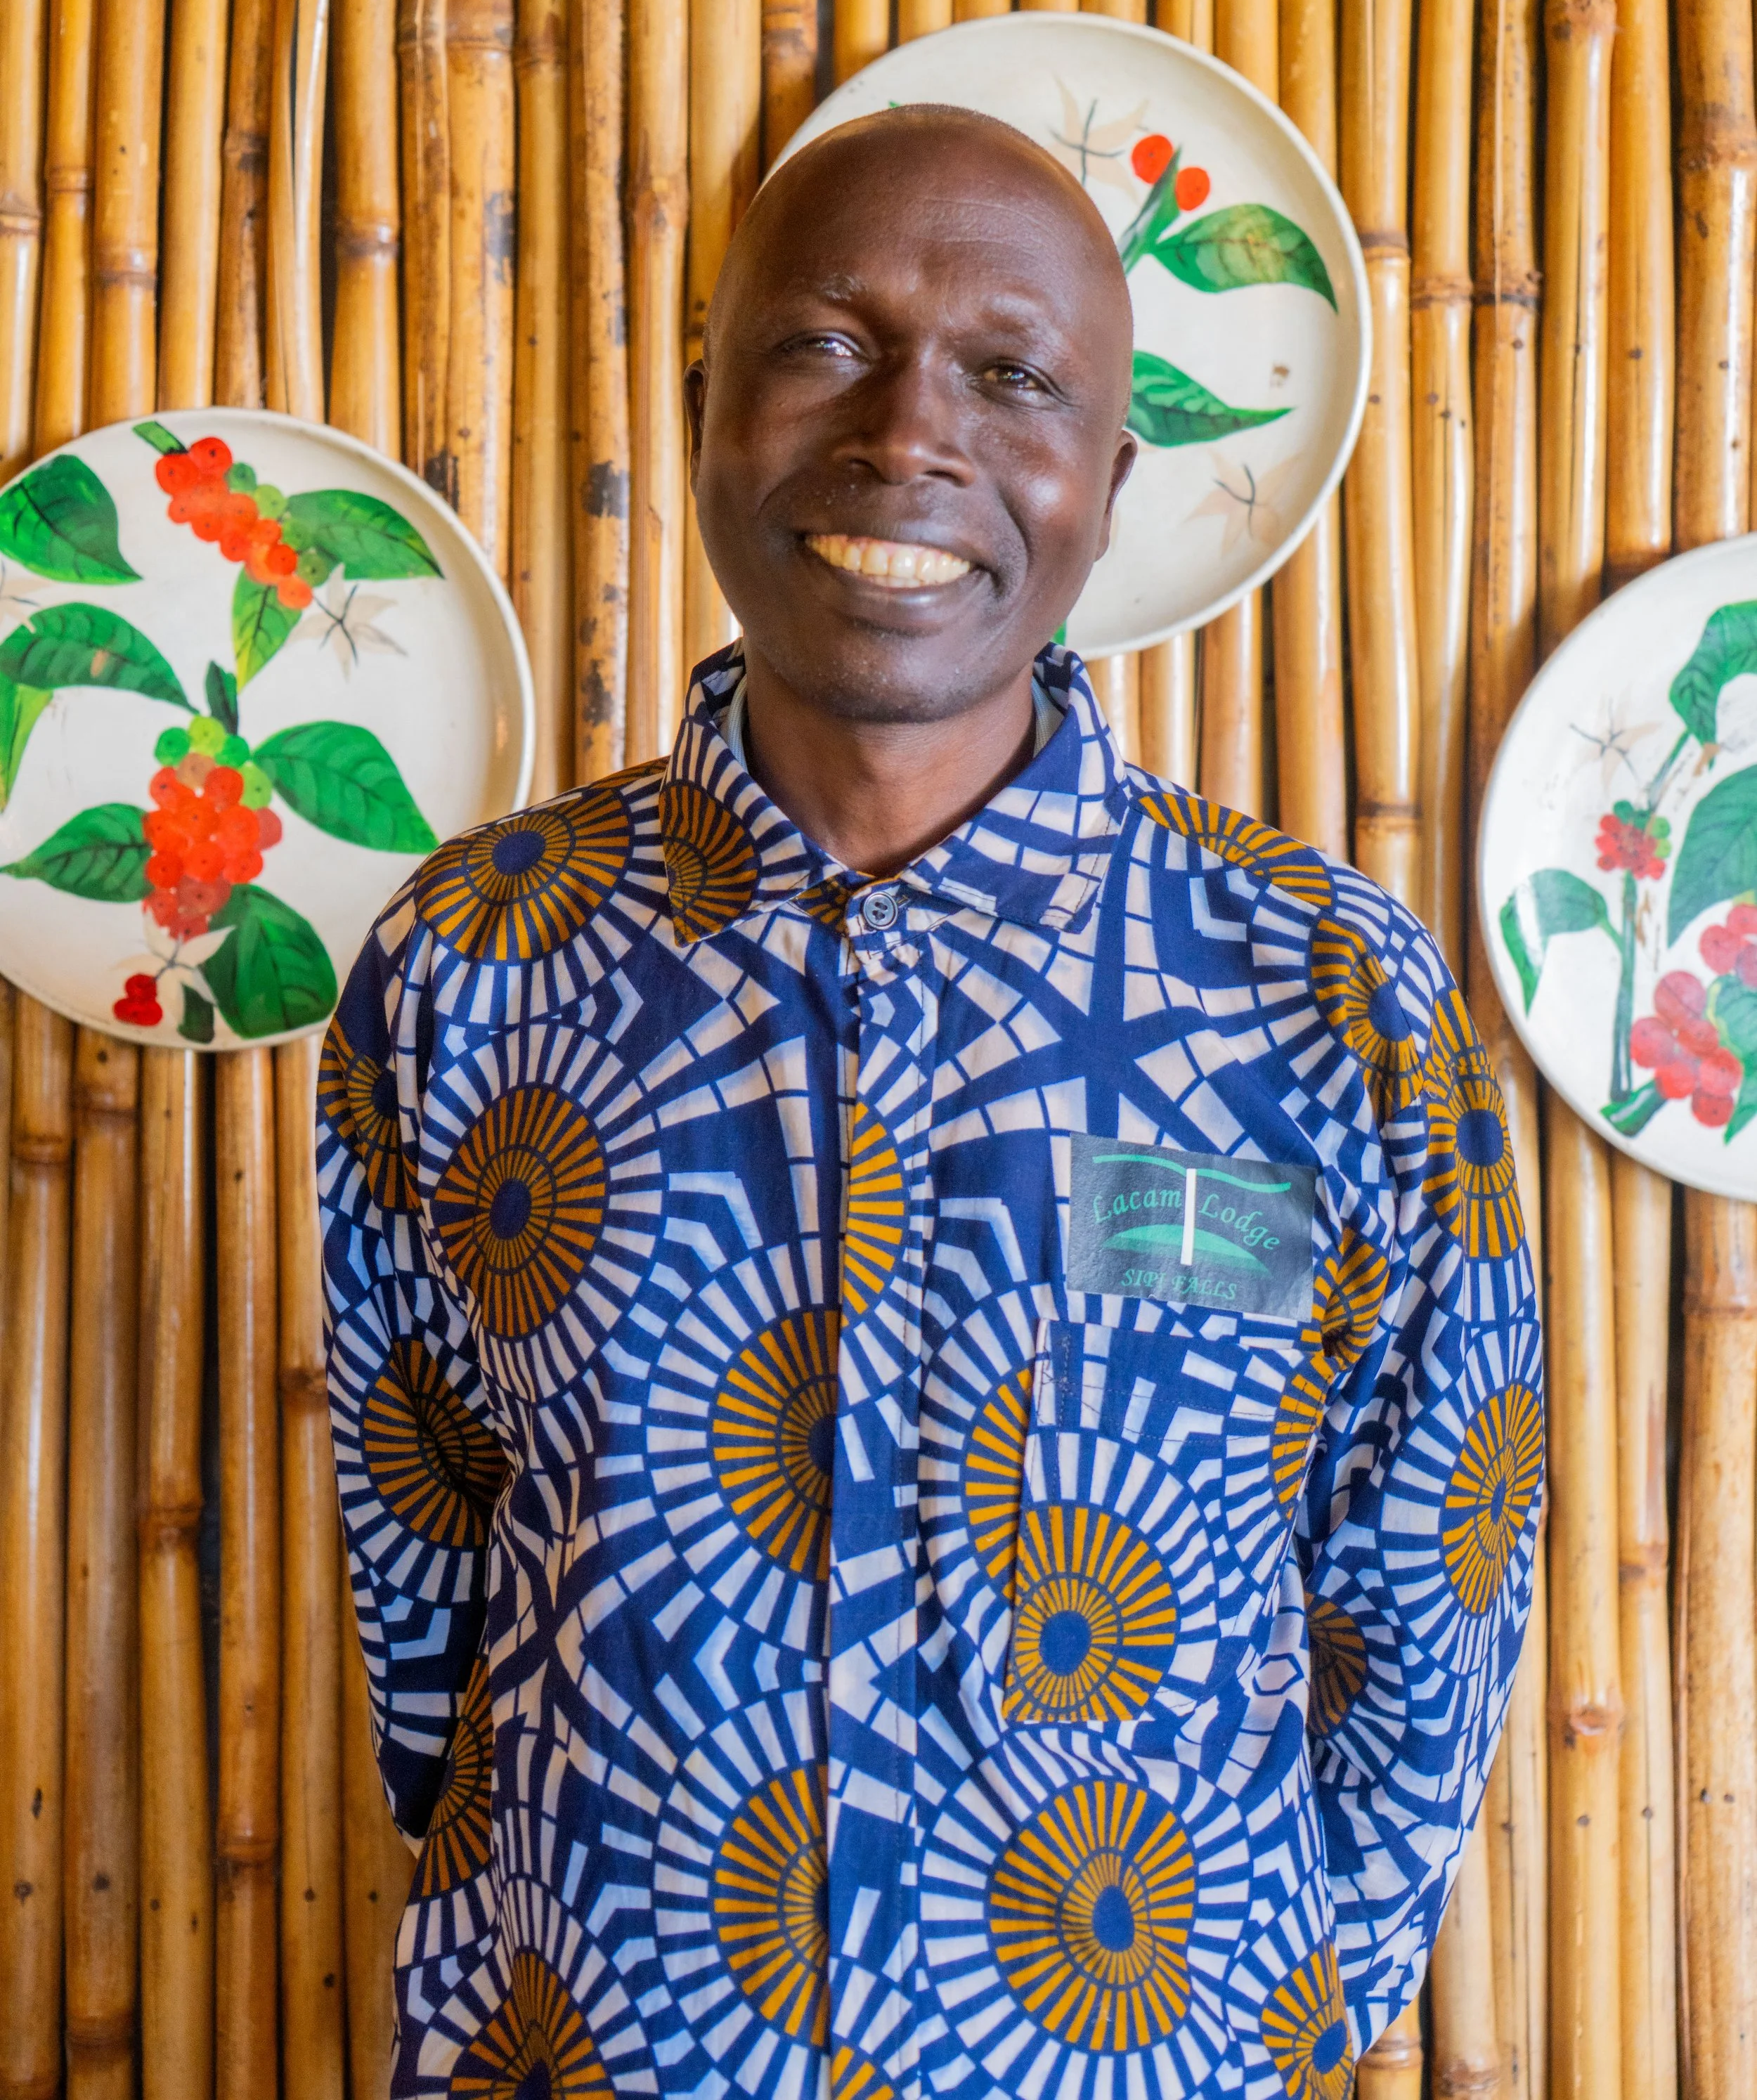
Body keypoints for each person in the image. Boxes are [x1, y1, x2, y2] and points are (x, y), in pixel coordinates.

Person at [319, 104, 1541, 2099]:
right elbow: (425, 1562)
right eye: (822, 342)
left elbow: (1431, 1564)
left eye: (1009, 374)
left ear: (1104, 476)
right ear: (702, 397)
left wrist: (1270, 1996)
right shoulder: (469, 959)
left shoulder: (1327, 996)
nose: (908, 434)